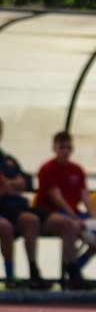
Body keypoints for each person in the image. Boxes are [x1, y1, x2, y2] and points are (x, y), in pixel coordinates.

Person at [35, 131, 96, 290]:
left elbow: (85, 196)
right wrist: (75, 218)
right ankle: (74, 277)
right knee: (70, 226)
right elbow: (57, 198)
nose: (65, 151)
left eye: (68, 147)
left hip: (74, 213)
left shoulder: (77, 170)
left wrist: (95, 217)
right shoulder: (47, 169)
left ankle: (77, 264)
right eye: (62, 147)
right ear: (54, 148)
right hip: (51, 213)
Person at [0, 117, 52, 289]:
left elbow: (26, 182)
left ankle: (33, 272)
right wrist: (12, 185)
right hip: (3, 209)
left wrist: (10, 184)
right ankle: (10, 276)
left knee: (31, 220)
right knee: (5, 227)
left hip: (14, 207)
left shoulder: (7, 159)